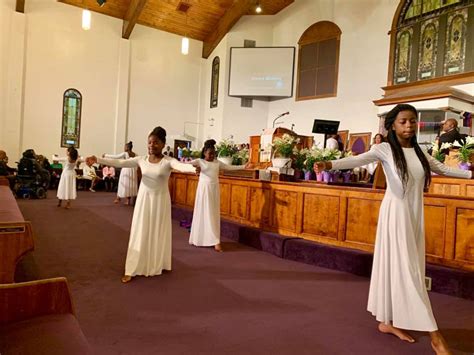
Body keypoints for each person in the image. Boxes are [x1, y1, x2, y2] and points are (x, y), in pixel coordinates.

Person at [314, 104, 473, 355]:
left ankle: (386, 322)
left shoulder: (420, 152)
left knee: (408, 268)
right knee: (408, 272)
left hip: (415, 215)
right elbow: (356, 159)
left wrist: (470, 176)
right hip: (395, 214)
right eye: (403, 122)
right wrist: (328, 164)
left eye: (412, 121)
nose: (409, 126)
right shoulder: (384, 149)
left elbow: (442, 168)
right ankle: (435, 336)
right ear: (392, 125)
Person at [88, 127, 197, 283]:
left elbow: (181, 166)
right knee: (140, 231)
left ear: (163, 143)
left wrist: (194, 169)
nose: (152, 145)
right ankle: (132, 268)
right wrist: (98, 159)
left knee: (158, 231)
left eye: (156, 142)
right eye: (149, 142)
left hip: (160, 201)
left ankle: (158, 262)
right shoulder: (141, 159)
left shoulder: (168, 161)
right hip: (144, 200)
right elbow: (120, 162)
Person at [188, 139, 247, 252]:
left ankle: (215, 240)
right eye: (210, 153)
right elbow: (186, 165)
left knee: (213, 214)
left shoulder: (217, 162)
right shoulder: (200, 161)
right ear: (204, 152)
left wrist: (244, 166)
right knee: (203, 213)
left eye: (213, 154)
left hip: (214, 190)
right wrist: (194, 169)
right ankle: (200, 238)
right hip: (204, 190)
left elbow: (230, 167)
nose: (211, 156)